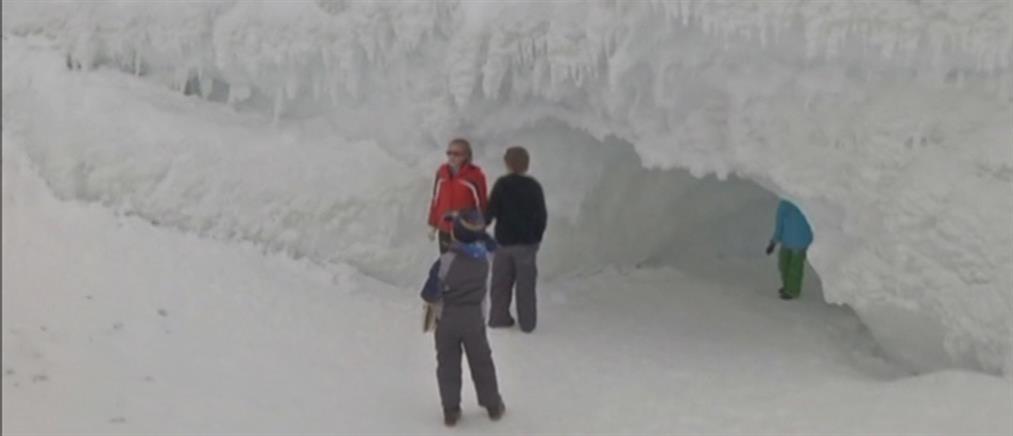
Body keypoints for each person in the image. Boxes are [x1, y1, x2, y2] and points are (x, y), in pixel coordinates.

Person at [420, 210, 505, 427]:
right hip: (474, 319)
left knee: (448, 364)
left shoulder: (445, 262)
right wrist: (476, 231)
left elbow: (429, 293)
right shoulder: (485, 256)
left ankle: (451, 410)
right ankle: (493, 405)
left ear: (454, 235)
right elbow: (493, 244)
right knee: (482, 361)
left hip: (447, 320)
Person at [485, 146, 547, 332]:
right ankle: (527, 323)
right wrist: (536, 238)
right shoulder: (534, 186)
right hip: (527, 244)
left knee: (500, 283)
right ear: (527, 165)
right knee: (526, 285)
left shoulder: (502, 185)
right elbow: (541, 216)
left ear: (507, 163)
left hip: (503, 244)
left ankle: (498, 317)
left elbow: (490, 213)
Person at [428, 138, 488, 254]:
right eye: (449, 153)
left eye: (456, 154)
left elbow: (482, 204)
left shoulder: (475, 176)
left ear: (466, 156)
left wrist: (480, 228)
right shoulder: (442, 172)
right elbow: (436, 199)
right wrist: (433, 224)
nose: (451, 157)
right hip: (445, 229)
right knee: (447, 264)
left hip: (466, 229)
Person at [765, 199, 813, 300]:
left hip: (801, 243)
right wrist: (773, 242)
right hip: (786, 242)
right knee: (783, 265)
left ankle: (792, 291)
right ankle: (788, 286)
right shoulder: (785, 204)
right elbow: (779, 225)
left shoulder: (808, 202)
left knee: (795, 268)